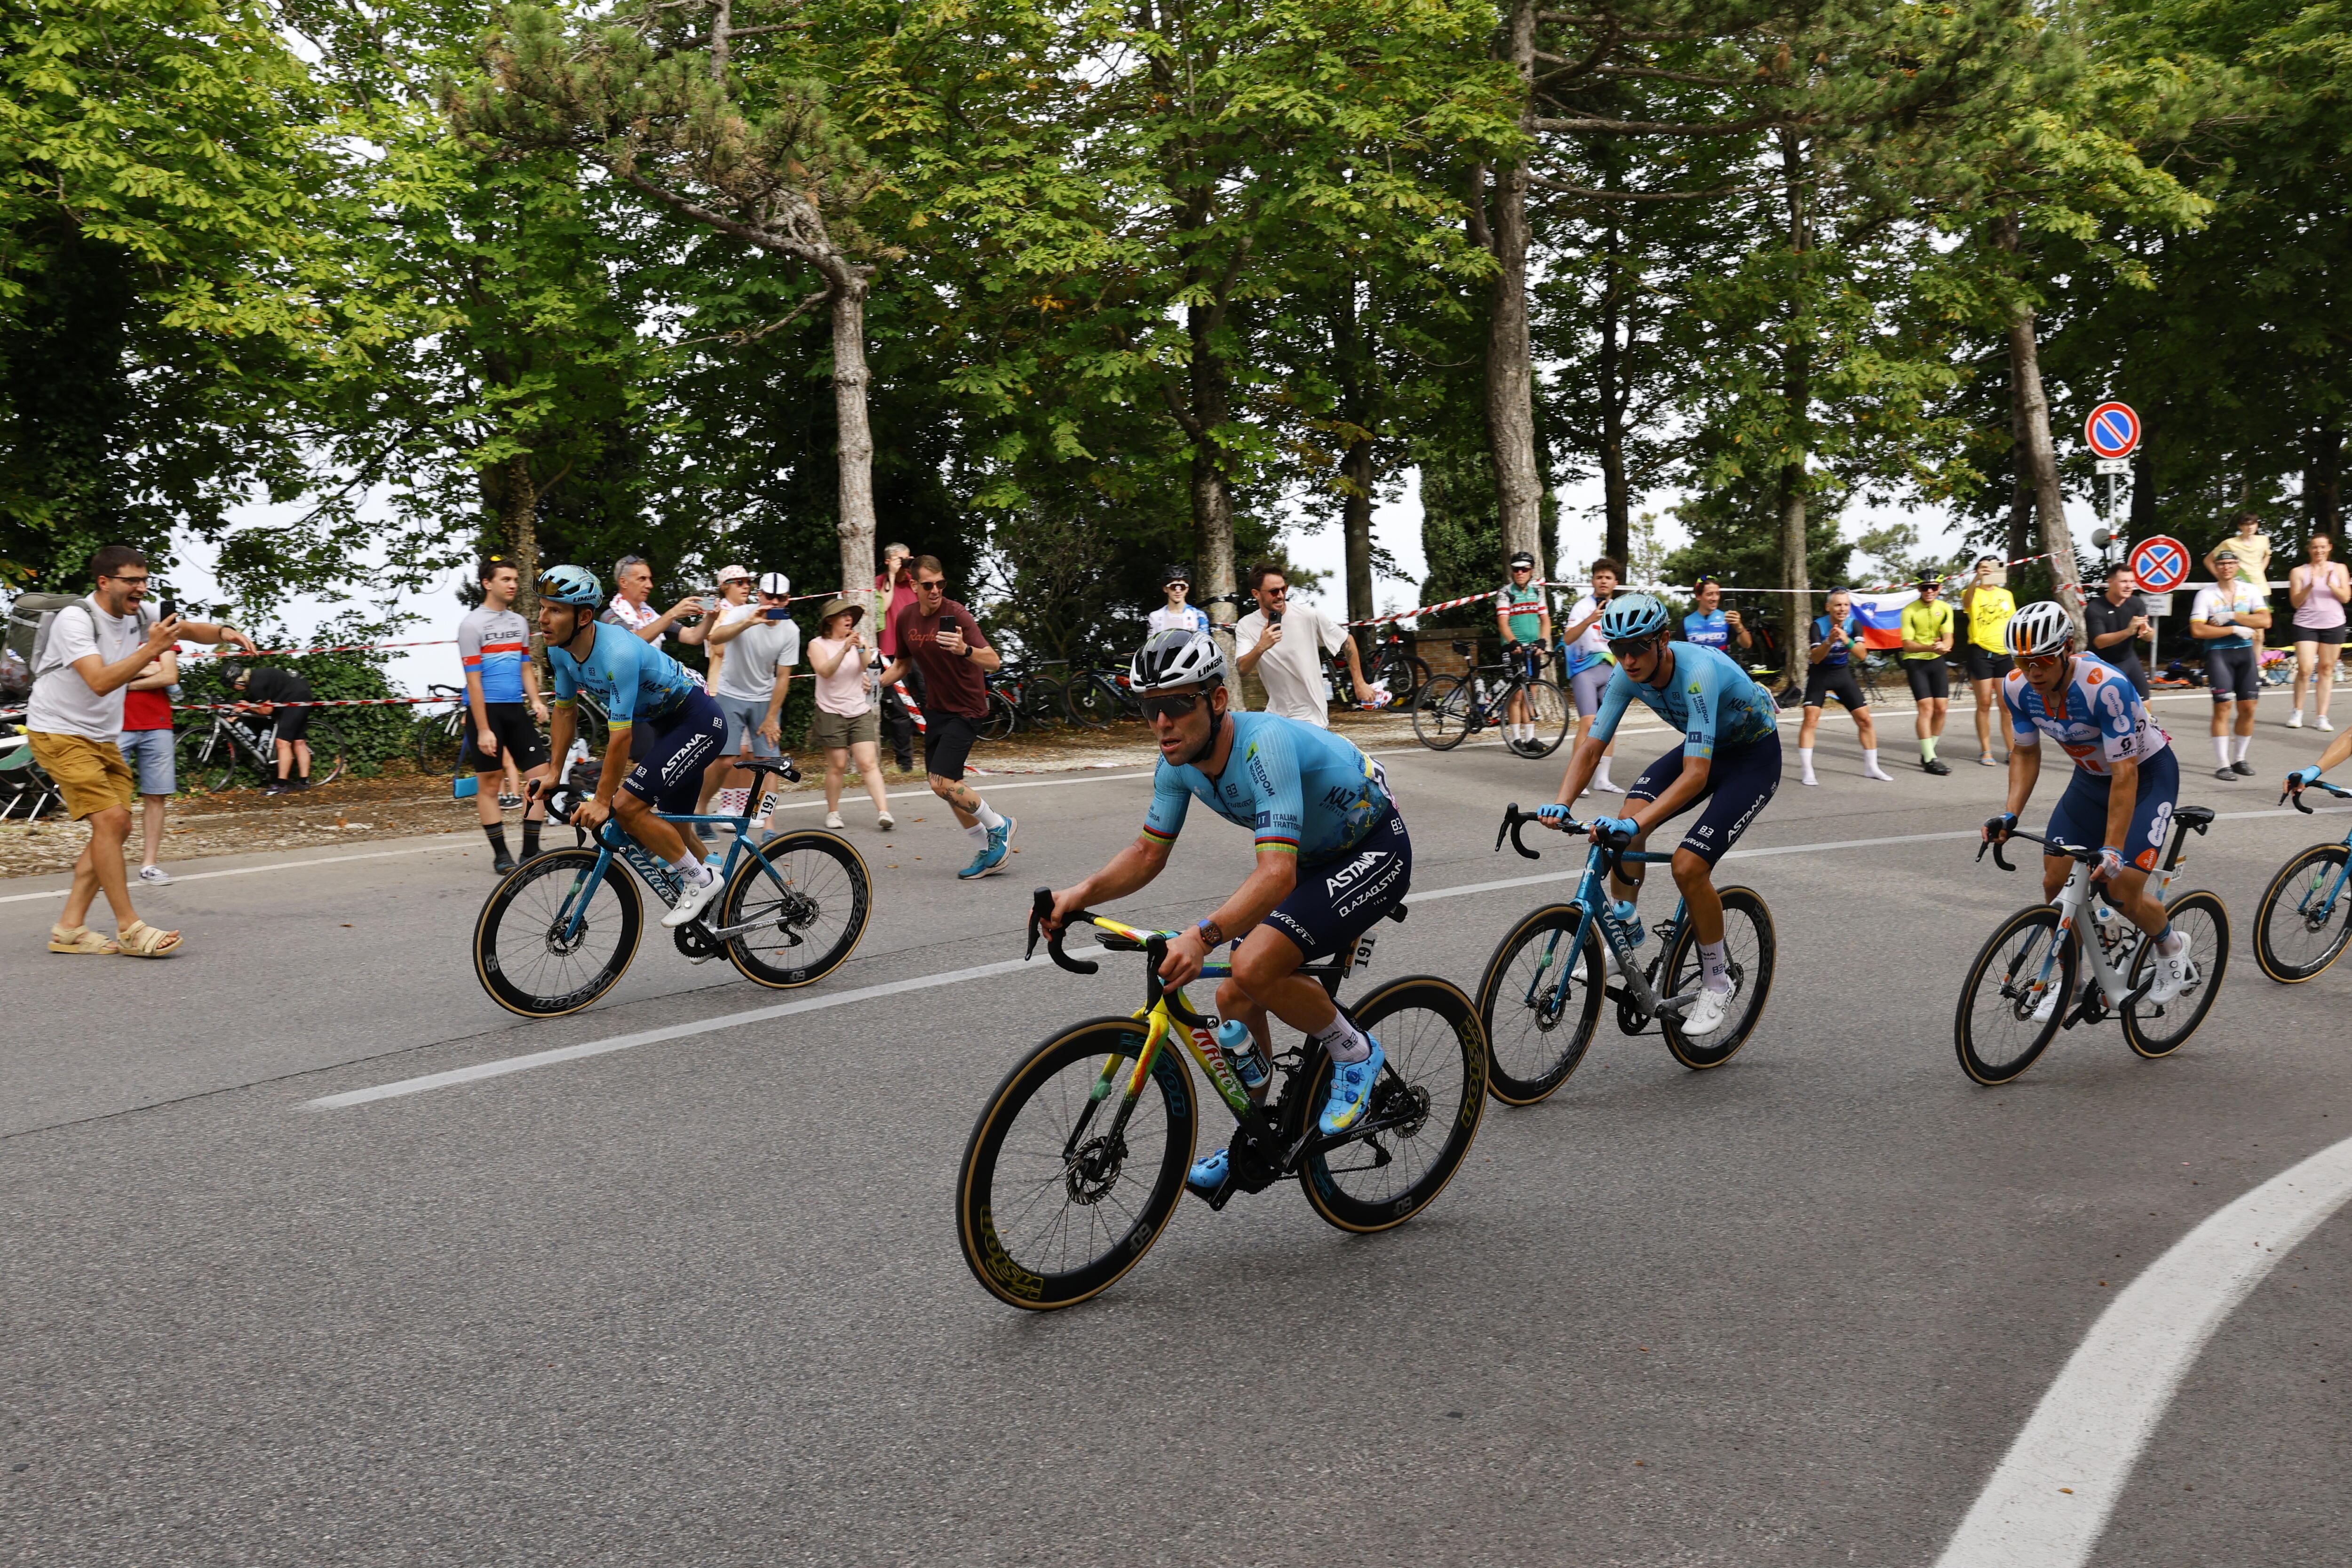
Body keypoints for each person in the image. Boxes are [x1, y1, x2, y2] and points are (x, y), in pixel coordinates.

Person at [1039, 629, 1409, 1199]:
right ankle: (1256, 1135)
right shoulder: (1177, 763)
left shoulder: (1264, 746)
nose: (1161, 723)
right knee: (1233, 997)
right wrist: (1079, 895)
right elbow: (1147, 853)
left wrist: (1202, 937)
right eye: (1149, 708)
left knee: (1253, 964)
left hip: (1372, 848)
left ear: (1216, 700)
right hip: (1310, 860)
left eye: (1175, 704)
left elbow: (1275, 875)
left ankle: (1354, 1053)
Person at [1535, 594, 1783, 1037]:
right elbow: (1592, 746)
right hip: (1706, 747)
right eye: (1618, 648)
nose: (1628, 659)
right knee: (1624, 823)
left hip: (1752, 759)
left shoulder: (1697, 673)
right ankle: (1627, 929)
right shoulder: (1625, 674)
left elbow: (1696, 775)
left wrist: (1639, 824)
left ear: (1663, 640)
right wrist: (1563, 802)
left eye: (1638, 647)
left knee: (1688, 866)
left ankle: (1717, 980)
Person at [27, 544, 253, 956]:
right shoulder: (76, 620)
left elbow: (186, 630)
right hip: (59, 732)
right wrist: (151, 649)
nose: (142, 588)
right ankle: (130, 927)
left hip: (102, 736)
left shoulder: (139, 614)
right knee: (111, 820)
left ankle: (70, 927)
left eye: (145, 580)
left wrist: (224, 633)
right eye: (132, 580)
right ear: (104, 582)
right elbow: (99, 682)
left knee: (117, 828)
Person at [1982, 601, 2195, 1006]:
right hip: (2090, 779)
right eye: (2023, 661)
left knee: (2122, 889)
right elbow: (2025, 752)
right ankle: (2071, 981)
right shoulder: (2016, 688)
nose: (2033, 672)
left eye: (2043, 660)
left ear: (2066, 649)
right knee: (2055, 882)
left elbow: (2125, 774)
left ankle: (2171, 947)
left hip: (2145, 777)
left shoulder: (2105, 687)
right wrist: (2011, 813)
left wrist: (2113, 848)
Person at [537, 565, 731, 929]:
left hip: (698, 721)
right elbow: (564, 711)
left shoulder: (617, 653)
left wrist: (603, 801)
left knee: (626, 807)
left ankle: (702, 881)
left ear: (584, 617)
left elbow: (621, 738)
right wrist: (553, 773)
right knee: (676, 832)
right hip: (666, 727)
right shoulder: (560, 651)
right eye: (543, 607)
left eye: (555, 610)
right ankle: (723, 914)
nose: (543, 618)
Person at [876, 557, 1017, 878]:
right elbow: (902, 665)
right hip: (938, 709)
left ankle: (999, 825)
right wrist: (873, 683)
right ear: (914, 585)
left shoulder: (958, 615)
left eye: (941, 583)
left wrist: (964, 649)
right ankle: (989, 853)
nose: (936, 590)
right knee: (945, 787)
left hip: (967, 708)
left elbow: (994, 661)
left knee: (943, 782)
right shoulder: (906, 618)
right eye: (928, 585)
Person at [458, 555, 552, 874]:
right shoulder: (472, 625)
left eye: (515, 579)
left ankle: (530, 851)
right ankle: (501, 855)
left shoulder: (519, 623)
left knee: (540, 777)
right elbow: (473, 681)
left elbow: (525, 667)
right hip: (486, 711)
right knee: (490, 784)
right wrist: (484, 729)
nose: (513, 584)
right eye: (506, 579)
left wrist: (536, 701)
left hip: (514, 709)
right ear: (487, 583)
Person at [703, 571, 800, 837]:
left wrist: (771, 717)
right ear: (760, 596)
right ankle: (700, 809)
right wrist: (748, 622)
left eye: (781, 598)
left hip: (765, 697)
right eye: (769, 596)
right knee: (726, 760)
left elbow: (783, 677)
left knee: (771, 762)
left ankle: (768, 825)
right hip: (731, 692)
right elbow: (715, 638)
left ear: (788, 600)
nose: (774, 603)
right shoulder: (741, 613)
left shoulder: (791, 630)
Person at [1233, 564, 1367, 728]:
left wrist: (1359, 683)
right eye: (1274, 591)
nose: (1281, 595)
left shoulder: (1308, 616)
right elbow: (1242, 669)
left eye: (1284, 589)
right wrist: (1261, 647)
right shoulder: (1246, 625)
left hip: (1312, 720)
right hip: (1277, 717)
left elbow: (1347, 641)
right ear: (1256, 594)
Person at [807, 597, 894, 830]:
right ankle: (833, 813)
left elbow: (869, 668)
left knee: (868, 762)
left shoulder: (859, 641)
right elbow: (825, 671)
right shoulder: (817, 645)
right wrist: (844, 649)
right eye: (843, 615)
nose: (849, 620)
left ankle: (884, 812)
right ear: (830, 620)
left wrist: (860, 648)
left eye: (851, 616)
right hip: (830, 710)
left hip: (859, 709)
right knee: (838, 765)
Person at [1796, 588, 1892, 785]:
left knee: (1865, 719)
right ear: (1828, 607)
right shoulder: (1818, 626)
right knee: (1811, 720)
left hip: (1842, 673)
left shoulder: (1854, 624)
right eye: (1838, 605)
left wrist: (1846, 639)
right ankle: (1808, 772)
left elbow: (1862, 655)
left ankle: (1872, 768)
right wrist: (1829, 641)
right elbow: (1816, 658)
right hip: (1820, 674)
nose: (1843, 609)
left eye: (1846, 605)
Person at [2191, 547, 2270, 780]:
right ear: (2216, 568)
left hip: (2245, 654)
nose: (2226, 568)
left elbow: (2265, 620)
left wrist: (2233, 616)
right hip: (2219, 654)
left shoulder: (2250, 590)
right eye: (2222, 564)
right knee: (2223, 707)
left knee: (2249, 709)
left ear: (2237, 566)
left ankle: (2239, 759)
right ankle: (2223, 764)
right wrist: (2233, 630)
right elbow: (2198, 630)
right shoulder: (2206, 595)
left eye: (2231, 564)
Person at [1558, 557, 1625, 793]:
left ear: (1616, 583)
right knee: (1588, 723)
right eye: (1599, 577)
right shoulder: (1582, 607)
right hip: (1583, 670)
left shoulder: (1619, 608)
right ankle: (1576, 779)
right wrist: (1590, 620)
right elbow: (1567, 639)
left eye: (1608, 578)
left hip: (1610, 671)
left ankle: (1602, 779)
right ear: (1593, 581)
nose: (1603, 581)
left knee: (1610, 723)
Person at [118, 636, 178, 883]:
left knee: (156, 796)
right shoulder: (108, 630)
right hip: (114, 726)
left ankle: (149, 866)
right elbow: (100, 676)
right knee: (111, 801)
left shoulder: (162, 634)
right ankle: (104, 868)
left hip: (158, 725)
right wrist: (149, 669)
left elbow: (170, 676)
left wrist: (125, 682)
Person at [1494, 550, 1554, 755]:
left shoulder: (1537, 591)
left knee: (1531, 693)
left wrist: (1543, 640)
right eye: (1516, 570)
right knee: (1517, 695)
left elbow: (1545, 620)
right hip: (1513, 648)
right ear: (1512, 571)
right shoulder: (1505, 593)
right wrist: (1513, 642)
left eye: (1524, 569)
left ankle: (1530, 738)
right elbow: (1503, 622)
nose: (1520, 573)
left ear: (1531, 571)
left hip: (1532, 648)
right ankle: (1516, 739)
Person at [1960, 554, 2018, 767]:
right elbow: (1966, 603)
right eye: (1985, 568)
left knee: (2006, 705)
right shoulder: (1971, 592)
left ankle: (2012, 750)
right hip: (1981, 652)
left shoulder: (2006, 595)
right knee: (1984, 703)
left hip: (2004, 653)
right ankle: (1986, 750)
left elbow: (2013, 623)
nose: (1989, 572)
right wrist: (1977, 578)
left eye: (1993, 568)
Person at [2287, 533, 2348, 731]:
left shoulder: (2339, 569)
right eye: (2315, 547)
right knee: (2305, 669)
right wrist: (2311, 586)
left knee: (2327, 669)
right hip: (2306, 624)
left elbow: (2346, 597)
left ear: (2329, 548)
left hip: (2333, 623)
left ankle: (2321, 717)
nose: (2319, 551)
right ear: (2309, 549)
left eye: (2322, 547)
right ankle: (2297, 711)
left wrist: (2331, 585)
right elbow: (2296, 602)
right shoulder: (2298, 572)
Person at [228, 661, 318, 793]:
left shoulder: (255, 685)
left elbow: (266, 711)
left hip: (294, 699)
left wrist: (248, 707)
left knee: (282, 743)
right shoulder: (256, 676)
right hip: (301, 693)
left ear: (238, 681)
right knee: (299, 742)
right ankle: (304, 782)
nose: (234, 689)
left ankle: (281, 786)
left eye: (232, 686)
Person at [1899, 574, 1956, 774]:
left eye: (1933, 587)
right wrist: (1931, 647)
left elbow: (1949, 638)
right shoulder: (1909, 611)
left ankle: (1928, 751)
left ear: (1940, 588)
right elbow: (1907, 645)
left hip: (1936, 661)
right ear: (1919, 589)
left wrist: (1945, 646)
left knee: (1941, 709)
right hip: (1916, 661)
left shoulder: (1946, 608)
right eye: (1925, 588)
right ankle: (1931, 759)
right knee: (1926, 708)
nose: (1929, 591)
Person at [874, 542, 920, 772]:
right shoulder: (880, 582)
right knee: (899, 710)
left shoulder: (915, 582)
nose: (906, 564)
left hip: (920, 650)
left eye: (908, 559)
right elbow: (882, 608)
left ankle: (939, 757)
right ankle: (905, 765)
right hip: (891, 654)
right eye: (901, 560)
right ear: (888, 561)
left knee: (932, 702)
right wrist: (892, 575)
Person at [603, 554, 710, 651]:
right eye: (642, 579)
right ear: (624, 582)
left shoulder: (651, 616)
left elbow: (693, 637)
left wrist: (711, 617)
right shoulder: (610, 616)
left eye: (649, 579)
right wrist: (672, 614)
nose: (650, 585)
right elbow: (633, 643)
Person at [2204, 512, 2273, 656]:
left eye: (2253, 524)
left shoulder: (2264, 540)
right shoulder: (2230, 543)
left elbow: (2267, 555)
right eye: (2246, 524)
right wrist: (2221, 577)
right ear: (2240, 527)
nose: (2250, 527)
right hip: (2239, 591)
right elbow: (2209, 560)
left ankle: (2256, 666)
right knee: (2241, 629)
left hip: (2261, 589)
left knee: (2260, 634)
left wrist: (2261, 570)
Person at [2082, 563, 2154, 699]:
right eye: (2124, 582)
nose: (2129, 586)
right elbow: (2099, 642)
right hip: (2102, 663)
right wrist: (2128, 632)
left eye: (2132, 582)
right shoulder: (2095, 608)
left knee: (2145, 703)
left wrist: (2147, 632)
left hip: (2128, 660)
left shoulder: (2137, 603)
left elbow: (2150, 636)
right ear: (2110, 582)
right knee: (2106, 705)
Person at [698, 565, 756, 699]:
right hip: (722, 689)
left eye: (748, 582)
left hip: (751, 690)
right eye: (740, 583)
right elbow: (719, 649)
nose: (746, 587)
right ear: (725, 587)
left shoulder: (753, 613)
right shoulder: (715, 613)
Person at [1681, 577, 1751, 656]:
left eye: (1717, 594)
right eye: (1710, 594)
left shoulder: (1728, 618)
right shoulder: (1686, 622)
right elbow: (1680, 653)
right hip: (1698, 664)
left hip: (1721, 663)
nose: (1715, 599)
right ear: (1698, 596)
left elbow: (1747, 645)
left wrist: (1739, 627)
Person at [1148, 564, 1210, 634]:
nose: (1178, 591)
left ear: (1187, 589)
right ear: (1165, 589)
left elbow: (1205, 640)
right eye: (1173, 587)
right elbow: (1151, 641)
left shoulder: (1199, 616)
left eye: (1182, 587)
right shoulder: (1155, 617)